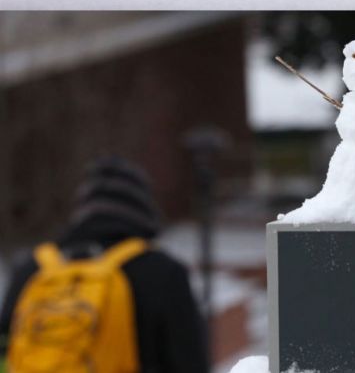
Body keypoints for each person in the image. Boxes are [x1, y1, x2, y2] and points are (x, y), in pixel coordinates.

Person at [0, 157, 208, 372]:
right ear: (143, 209)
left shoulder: (32, 268)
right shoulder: (161, 272)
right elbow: (190, 362)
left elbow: (5, 349)